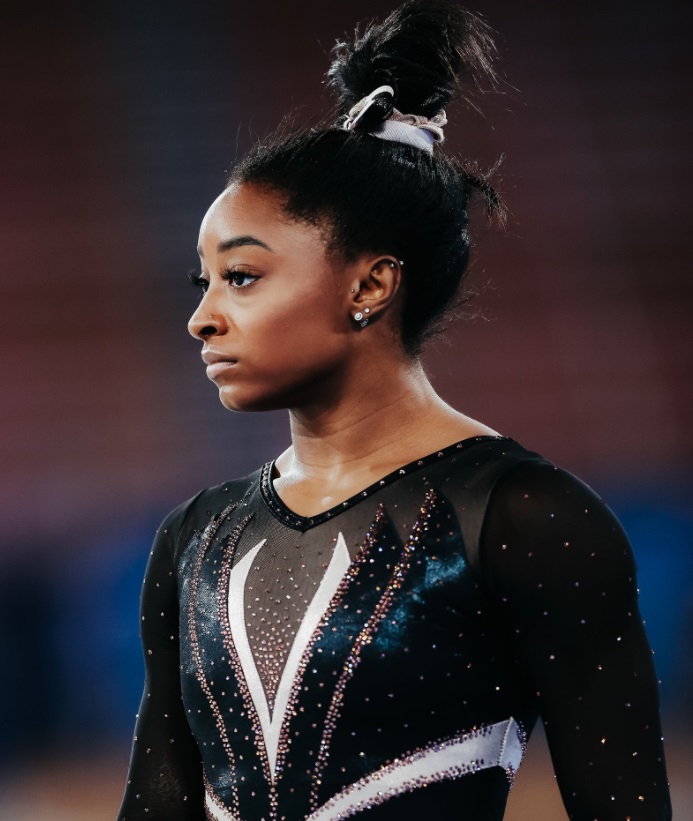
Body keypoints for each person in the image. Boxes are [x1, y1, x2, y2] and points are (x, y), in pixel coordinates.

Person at [117, 1, 672, 818]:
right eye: (202, 283)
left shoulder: (520, 517)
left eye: (241, 277)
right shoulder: (195, 538)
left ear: (370, 285)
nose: (202, 317)